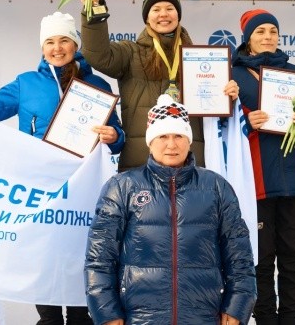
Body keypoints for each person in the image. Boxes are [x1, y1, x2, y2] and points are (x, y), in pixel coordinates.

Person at [0, 11, 125, 325]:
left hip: (83, 193)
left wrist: (114, 136)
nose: (57, 48)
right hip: (41, 192)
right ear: (42, 47)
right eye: (50, 42)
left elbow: (118, 136)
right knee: (46, 287)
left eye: (64, 40)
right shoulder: (26, 83)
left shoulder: (96, 84)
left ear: (75, 44)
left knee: (81, 281)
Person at [84, 94, 257, 325]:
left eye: (179, 136)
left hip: (203, 318)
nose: (172, 144)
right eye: (163, 136)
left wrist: (237, 307)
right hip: (139, 319)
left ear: (189, 140)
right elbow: (99, 258)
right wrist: (107, 313)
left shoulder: (216, 186)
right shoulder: (121, 187)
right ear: (150, 141)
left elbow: (240, 256)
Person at [231, 9, 295, 325]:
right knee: (259, 262)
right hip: (256, 183)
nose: (268, 37)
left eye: (273, 31)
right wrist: (246, 123)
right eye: (260, 32)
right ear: (248, 38)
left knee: (293, 260)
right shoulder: (232, 76)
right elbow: (218, 128)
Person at [78, 0, 239, 171]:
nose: (163, 14)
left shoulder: (198, 59)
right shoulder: (130, 53)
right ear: (147, 17)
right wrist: (94, 11)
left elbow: (215, 115)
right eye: (156, 9)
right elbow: (98, 55)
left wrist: (228, 97)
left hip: (190, 162)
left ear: (178, 14)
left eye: (170, 8)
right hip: (140, 164)